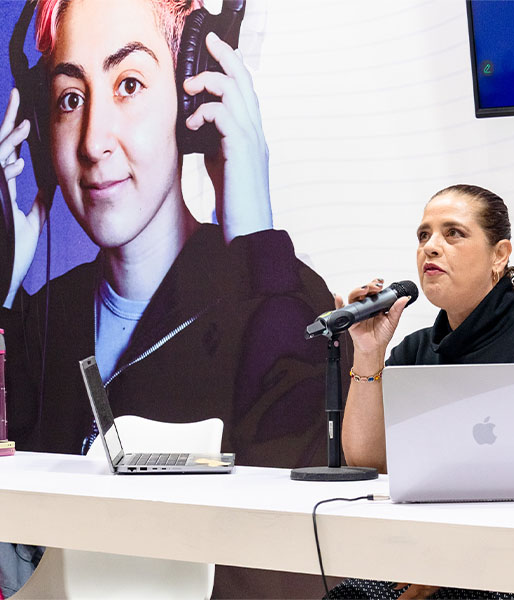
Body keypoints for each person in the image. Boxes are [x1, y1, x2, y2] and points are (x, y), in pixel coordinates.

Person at [0, 0, 341, 597]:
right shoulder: (41, 320)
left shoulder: (282, 302)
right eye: (70, 98)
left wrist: (255, 239)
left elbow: (297, 554)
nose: (93, 142)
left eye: (129, 84)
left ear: (192, 104)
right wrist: (1, 285)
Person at [332, 184, 514, 600]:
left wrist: (455, 563)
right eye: (423, 235)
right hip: (430, 553)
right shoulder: (416, 350)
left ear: (499, 255)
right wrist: (369, 350)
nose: (430, 247)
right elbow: (367, 461)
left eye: (453, 233)